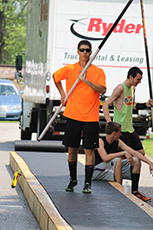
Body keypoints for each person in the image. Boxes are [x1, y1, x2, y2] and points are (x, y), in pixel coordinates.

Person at [52, 40, 106, 194]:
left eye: (87, 50)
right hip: (73, 115)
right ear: (77, 52)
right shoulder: (70, 69)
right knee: (72, 148)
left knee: (89, 150)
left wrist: (86, 81)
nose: (85, 53)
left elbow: (102, 90)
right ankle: (72, 179)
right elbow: (55, 77)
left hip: (91, 117)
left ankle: (87, 183)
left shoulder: (98, 71)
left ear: (91, 52)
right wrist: (62, 93)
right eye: (82, 50)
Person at [93, 121, 153, 201]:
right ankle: (120, 190)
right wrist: (123, 153)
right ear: (114, 133)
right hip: (98, 171)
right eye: (120, 132)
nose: (121, 134)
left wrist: (149, 162)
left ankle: (135, 192)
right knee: (118, 161)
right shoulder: (100, 141)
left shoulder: (118, 142)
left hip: (111, 168)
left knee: (136, 161)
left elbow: (134, 152)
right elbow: (105, 158)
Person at [103, 66, 153, 155]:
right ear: (130, 77)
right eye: (138, 79)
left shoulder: (132, 88)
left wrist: (145, 104)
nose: (140, 82)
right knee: (126, 156)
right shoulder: (120, 88)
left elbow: (133, 105)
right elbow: (105, 105)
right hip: (120, 129)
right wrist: (110, 123)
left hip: (130, 128)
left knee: (141, 153)